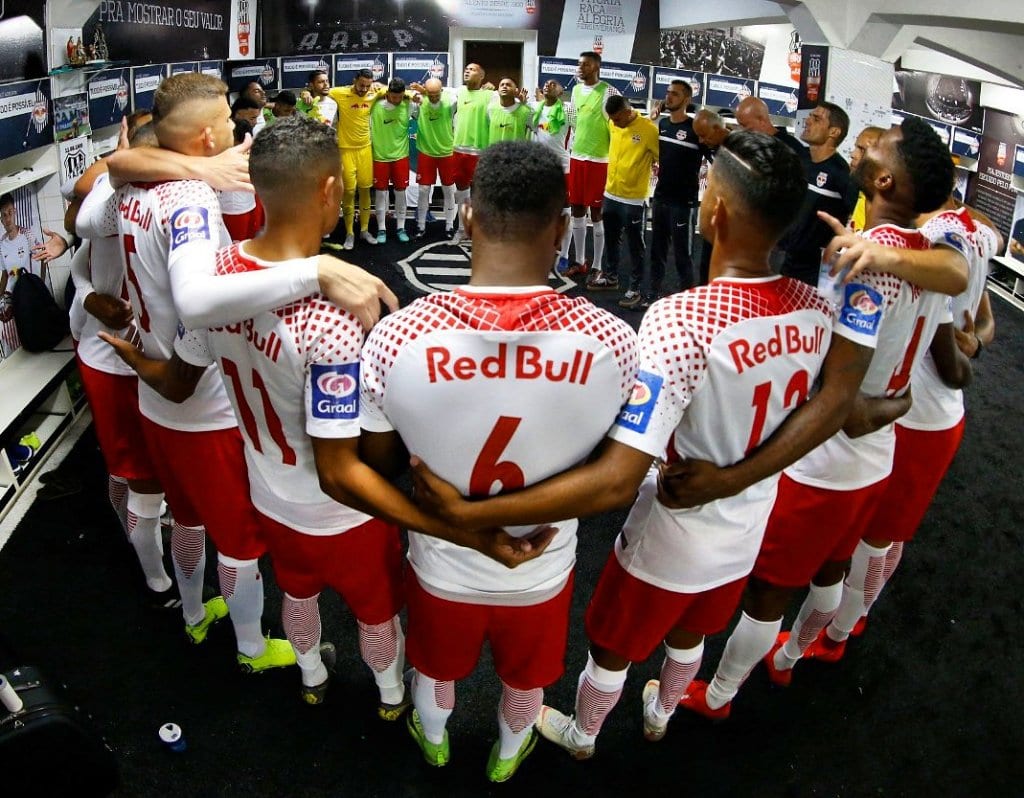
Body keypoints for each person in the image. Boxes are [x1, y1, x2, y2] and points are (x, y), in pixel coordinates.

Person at [408, 131, 857, 757]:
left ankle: (584, 734)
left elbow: (619, 473)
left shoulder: (680, 320)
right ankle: (662, 714)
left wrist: (467, 515)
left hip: (671, 530)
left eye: (708, 188)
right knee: (693, 635)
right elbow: (836, 401)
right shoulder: (818, 309)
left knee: (611, 648)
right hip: (748, 525)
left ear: (716, 212)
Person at [101, 115, 546, 709]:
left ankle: (311, 679)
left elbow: (179, 384)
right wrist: (458, 527)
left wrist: (133, 353)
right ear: (331, 190)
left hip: (269, 495)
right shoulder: (334, 316)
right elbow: (345, 469)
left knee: (298, 596)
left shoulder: (218, 279)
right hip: (340, 512)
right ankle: (390, 695)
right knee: (376, 613)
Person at [358, 140, 638, 782]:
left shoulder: (397, 335)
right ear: (562, 228)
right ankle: (508, 757)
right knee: (526, 681)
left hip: (441, 563)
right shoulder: (616, 342)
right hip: (543, 565)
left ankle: (434, 743)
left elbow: (376, 462)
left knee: (434, 670)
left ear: (466, 218)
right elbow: (614, 472)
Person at [679, 117, 967, 718]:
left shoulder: (867, 266)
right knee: (831, 570)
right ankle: (789, 660)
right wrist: (895, 402)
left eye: (877, 147)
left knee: (768, 591)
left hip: (825, 465)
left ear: (885, 180)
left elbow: (844, 406)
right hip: (876, 459)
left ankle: (720, 694)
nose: (865, 144)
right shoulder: (922, 255)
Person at [75, 72, 298, 674]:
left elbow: (89, 212)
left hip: (156, 397)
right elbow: (199, 302)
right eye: (225, 119)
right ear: (204, 137)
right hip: (202, 401)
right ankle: (252, 648)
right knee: (240, 538)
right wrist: (311, 278)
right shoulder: (191, 201)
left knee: (186, 515)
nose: (233, 126)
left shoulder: (132, 191)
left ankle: (194, 614)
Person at [809, 199, 1001, 658]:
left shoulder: (933, 244)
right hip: (925, 413)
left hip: (916, 416)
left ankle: (840, 631)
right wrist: (976, 342)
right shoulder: (969, 234)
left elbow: (955, 359)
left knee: (876, 538)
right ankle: (850, 618)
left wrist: (968, 350)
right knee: (886, 533)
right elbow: (982, 312)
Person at [64, 120, 175, 607]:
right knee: (133, 471)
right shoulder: (107, 202)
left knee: (157, 468)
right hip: (111, 359)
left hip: (164, 360)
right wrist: (91, 299)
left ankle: (149, 541)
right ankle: (153, 576)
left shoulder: (183, 203)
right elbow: (82, 251)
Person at [621, 79, 709, 309]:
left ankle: (688, 304)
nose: (668, 97)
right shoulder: (662, 125)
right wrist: (651, 117)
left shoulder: (695, 128)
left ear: (686, 99)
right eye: (668, 92)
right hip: (660, 198)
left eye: (675, 94)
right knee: (657, 252)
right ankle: (653, 294)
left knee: (683, 256)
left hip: (683, 203)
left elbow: (714, 155)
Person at [774, 102, 854, 285]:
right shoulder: (800, 161)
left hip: (815, 272)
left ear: (834, 132)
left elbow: (853, 220)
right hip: (786, 261)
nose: (807, 121)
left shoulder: (841, 174)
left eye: (816, 119)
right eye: (810, 116)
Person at [586, 95, 658, 293]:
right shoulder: (614, 123)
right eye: (612, 119)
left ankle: (635, 287)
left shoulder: (649, 130)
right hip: (611, 195)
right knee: (611, 241)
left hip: (634, 199)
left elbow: (661, 157)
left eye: (617, 119)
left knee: (636, 247)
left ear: (628, 112)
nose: (614, 123)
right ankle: (611, 278)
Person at [563, 52, 618, 280]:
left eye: (585, 65)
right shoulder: (576, 90)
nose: (580, 68)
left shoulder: (609, 91)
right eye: (579, 64)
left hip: (599, 161)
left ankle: (597, 265)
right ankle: (580, 261)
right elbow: (575, 123)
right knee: (576, 210)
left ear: (596, 67)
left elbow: (618, 126)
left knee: (596, 213)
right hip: (577, 157)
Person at [329, 68, 387, 249]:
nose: (364, 89)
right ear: (354, 80)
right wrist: (306, 93)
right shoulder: (339, 93)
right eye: (361, 85)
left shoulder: (373, 92)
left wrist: (381, 86)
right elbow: (319, 92)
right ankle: (349, 233)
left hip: (365, 150)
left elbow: (392, 90)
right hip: (345, 150)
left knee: (365, 190)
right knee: (348, 192)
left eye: (368, 86)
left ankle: (364, 230)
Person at [531, 80, 573, 271]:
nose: (549, 85)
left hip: (562, 168)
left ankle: (565, 255)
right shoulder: (535, 109)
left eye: (554, 84)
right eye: (546, 83)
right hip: (542, 168)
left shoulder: (568, 111)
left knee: (565, 212)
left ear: (561, 92)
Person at [449, 62, 494, 243]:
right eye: (466, 69)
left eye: (472, 70)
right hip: (459, 149)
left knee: (481, 194)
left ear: (482, 76)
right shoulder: (458, 92)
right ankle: (462, 229)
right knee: (462, 193)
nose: (467, 71)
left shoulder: (491, 95)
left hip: (481, 152)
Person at [370, 78, 417, 243]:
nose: (397, 100)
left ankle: (401, 227)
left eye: (400, 97)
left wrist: (414, 94)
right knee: (381, 193)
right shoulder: (375, 105)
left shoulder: (408, 105)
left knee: (400, 192)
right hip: (380, 157)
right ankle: (381, 229)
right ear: (387, 93)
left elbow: (427, 99)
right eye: (393, 96)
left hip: (400, 156)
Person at [410, 78, 456, 239]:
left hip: (446, 152)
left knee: (449, 190)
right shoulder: (418, 103)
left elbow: (460, 93)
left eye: (437, 94)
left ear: (441, 91)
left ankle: (449, 226)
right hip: (426, 152)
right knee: (423, 190)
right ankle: (421, 226)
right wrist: (418, 95)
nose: (434, 97)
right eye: (431, 94)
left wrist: (424, 92)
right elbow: (403, 98)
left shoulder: (450, 101)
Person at [217, 119, 265, 242]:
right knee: (239, 242)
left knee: (245, 240)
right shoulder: (221, 155)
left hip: (245, 205)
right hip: (235, 208)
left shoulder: (240, 152)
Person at [735, 96, 802, 154]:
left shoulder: (791, 148)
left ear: (761, 120)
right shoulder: (748, 145)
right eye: (739, 125)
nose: (741, 130)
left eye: (744, 125)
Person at [848, 126, 884, 232]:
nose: (853, 155)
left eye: (862, 150)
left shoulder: (886, 207)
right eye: (856, 148)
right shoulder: (862, 192)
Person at [487, 78, 532, 143]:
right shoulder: (490, 109)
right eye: (502, 85)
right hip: (494, 149)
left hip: (516, 149)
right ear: (498, 90)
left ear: (516, 90)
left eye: (508, 85)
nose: (504, 86)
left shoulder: (526, 111)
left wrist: (525, 103)